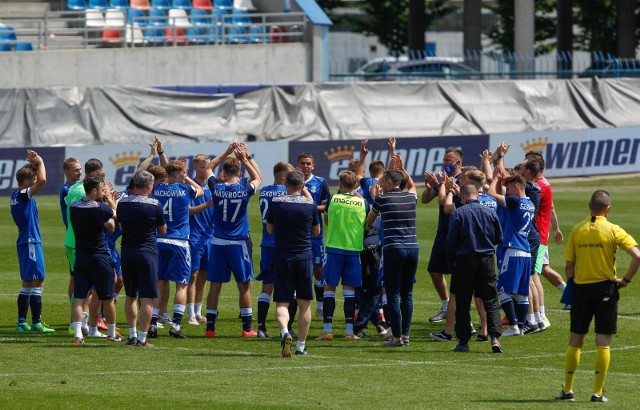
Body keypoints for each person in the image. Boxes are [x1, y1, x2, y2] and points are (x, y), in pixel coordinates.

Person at [557, 190, 640, 403]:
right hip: (606, 289)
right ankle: (598, 393)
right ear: (608, 209)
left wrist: (575, 282)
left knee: (576, 339)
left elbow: (568, 266)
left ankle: (567, 390)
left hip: (582, 290)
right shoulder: (613, 229)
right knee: (603, 341)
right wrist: (626, 280)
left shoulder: (577, 229)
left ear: (589, 206)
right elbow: (637, 256)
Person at [205, 143, 262, 338]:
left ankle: (210, 328)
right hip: (238, 243)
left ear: (224, 171)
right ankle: (247, 328)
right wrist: (245, 158)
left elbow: (208, 168)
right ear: (239, 170)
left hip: (218, 242)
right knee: (244, 284)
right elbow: (258, 177)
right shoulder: (245, 188)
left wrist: (226, 152)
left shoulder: (217, 188)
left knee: (214, 286)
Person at [266, 170, 320, 356]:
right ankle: (301, 346)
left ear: (285, 183)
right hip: (304, 257)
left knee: (282, 302)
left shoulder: (276, 203)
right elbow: (316, 231)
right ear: (303, 185)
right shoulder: (310, 205)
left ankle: (284, 332)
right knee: (304, 303)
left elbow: (270, 229)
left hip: (283, 256)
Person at [446, 183, 504, 353]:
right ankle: (495, 338)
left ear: (462, 196)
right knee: (491, 300)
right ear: (477, 195)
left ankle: (463, 342)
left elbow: (451, 241)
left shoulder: (458, 213)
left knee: (463, 302)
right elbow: (498, 237)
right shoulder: (490, 212)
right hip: (486, 259)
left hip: (464, 260)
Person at [149, 159, 203, 339]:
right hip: (179, 242)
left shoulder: (156, 189)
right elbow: (201, 191)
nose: (186, 174)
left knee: (160, 282)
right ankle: (177, 325)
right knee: (182, 284)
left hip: (160, 240)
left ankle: (152, 324)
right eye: (184, 172)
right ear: (178, 174)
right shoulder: (186, 189)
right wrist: (188, 179)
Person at [368, 158, 418, 348]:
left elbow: (370, 221)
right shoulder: (411, 197)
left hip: (393, 249)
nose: (380, 185)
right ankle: (406, 335)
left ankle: (396, 337)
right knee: (408, 294)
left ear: (389, 183)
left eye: (382, 182)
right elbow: (412, 185)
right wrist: (404, 169)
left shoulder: (382, 199)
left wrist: (376, 200)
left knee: (394, 294)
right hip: (412, 247)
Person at [117, 170, 167, 347]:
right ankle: (142, 338)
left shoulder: (122, 204)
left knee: (130, 295)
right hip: (147, 253)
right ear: (148, 185)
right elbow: (163, 230)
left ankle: (131, 336)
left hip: (128, 252)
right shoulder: (155, 204)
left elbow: (122, 227)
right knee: (147, 297)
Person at [69, 175, 120, 343]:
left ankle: (78, 334)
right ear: (93, 190)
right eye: (100, 189)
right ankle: (112, 334)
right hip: (99, 257)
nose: (103, 191)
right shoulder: (100, 208)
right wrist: (109, 199)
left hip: (81, 257)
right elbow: (117, 216)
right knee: (108, 298)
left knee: (79, 298)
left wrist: (102, 196)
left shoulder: (75, 206)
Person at [317, 170, 367, 341]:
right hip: (353, 251)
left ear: (340, 184)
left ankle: (328, 330)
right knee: (350, 292)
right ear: (355, 185)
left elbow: (327, 221)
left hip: (334, 249)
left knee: (329, 288)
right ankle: (348, 331)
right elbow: (367, 223)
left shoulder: (332, 200)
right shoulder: (363, 204)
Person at [11, 150, 55, 334]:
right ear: (27, 183)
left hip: (25, 241)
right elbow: (43, 180)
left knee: (28, 283)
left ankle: (22, 322)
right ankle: (36, 322)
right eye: (33, 179)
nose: (36, 181)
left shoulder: (15, 196)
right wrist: (41, 161)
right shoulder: (22, 195)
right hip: (30, 241)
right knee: (38, 280)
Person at [487, 169, 536, 336]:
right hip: (526, 252)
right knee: (521, 292)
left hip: (513, 251)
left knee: (501, 287)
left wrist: (495, 179)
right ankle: (521, 326)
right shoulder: (530, 203)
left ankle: (513, 326)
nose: (508, 192)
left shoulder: (515, 201)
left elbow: (492, 194)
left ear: (516, 186)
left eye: (510, 188)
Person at [64, 159, 107, 336]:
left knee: (79, 282)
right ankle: (77, 324)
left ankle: (80, 324)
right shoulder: (85, 193)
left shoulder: (73, 189)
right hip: (82, 243)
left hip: (72, 240)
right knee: (84, 287)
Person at [423, 148, 463, 324]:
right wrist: (432, 185)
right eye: (445, 160)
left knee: (457, 273)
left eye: (449, 160)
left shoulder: (464, 179)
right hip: (442, 231)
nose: (445, 163)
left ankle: (459, 312)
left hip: (457, 232)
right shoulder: (442, 180)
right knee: (434, 269)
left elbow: (446, 200)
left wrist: (440, 185)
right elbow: (425, 199)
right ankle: (446, 306)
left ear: (458, 162)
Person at [256, 161, 295, 338]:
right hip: (282, 245)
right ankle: (289, 328)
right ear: (284, 177)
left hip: (266, 244)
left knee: (267, 286)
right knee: (289, 288)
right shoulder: (284, 193)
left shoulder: (264, 191)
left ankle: (261, 327)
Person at [297, 152, 330, 320]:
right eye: (303, 163)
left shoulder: (320, 182)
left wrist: (308, 207)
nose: (306, 166)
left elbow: (326, 206)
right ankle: (294, 308)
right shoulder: (292, 180)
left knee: (318, 269)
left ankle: (321, 306)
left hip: (315, 233)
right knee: (299, 271)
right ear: (298, 165)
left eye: (308, 163)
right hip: (296, 233)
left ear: (313, 166)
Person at [186, 154, 215, 325]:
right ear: (195, 167)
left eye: (207, 166)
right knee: (193, 274)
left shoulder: (214, 186)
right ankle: (190, 313)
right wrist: (207, 204)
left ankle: (198, 311)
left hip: (210, 236)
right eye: (201, 166)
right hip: (194, 236)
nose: (204, 169)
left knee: (204, 274)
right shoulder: (190, 188)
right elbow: (188, 210)